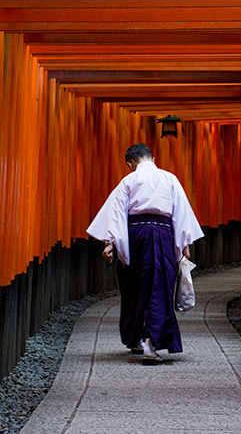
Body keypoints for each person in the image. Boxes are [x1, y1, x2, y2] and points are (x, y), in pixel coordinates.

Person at [87, 143, 204, 364]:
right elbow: (181, 212)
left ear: (130, 164)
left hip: (135, 234)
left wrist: (110, 242)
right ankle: (151, 344)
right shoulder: (170, 179)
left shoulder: (129, 180)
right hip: (163, 233)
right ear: (152, 158)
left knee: (134, 285)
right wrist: (184, 245)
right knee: (159, 285)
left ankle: (135, 339)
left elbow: (116, 213)